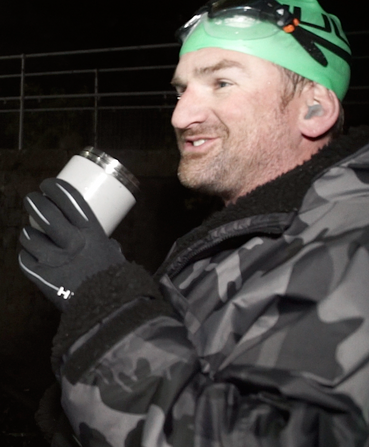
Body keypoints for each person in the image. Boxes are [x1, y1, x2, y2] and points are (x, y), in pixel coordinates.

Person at [19, 0, 369, 445]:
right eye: (182, 91)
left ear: (315, 111)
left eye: (222, 82)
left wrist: (102, 306)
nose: (180, 116)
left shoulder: (352, 242)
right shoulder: (252, 231)